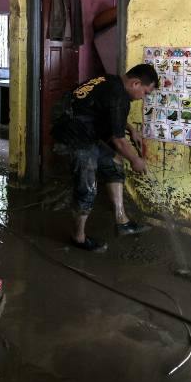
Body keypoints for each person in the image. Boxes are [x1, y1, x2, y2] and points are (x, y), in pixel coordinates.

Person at [52, 63, 158, 252]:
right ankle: (78, 237)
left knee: (113, 163)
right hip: (75, 137)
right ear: (135, 83)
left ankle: (121, 220)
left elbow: (108, 110)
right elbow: (119, 141)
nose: (143, 97)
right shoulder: (119, 96)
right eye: (145, 92)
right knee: (87, 189)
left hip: (79, 129)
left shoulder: (109, 80)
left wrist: (131, 129)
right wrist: (136, 160)